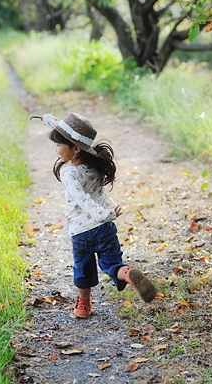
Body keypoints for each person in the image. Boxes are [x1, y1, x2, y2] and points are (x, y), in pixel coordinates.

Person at [39, 112, 157, 318]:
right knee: (113, 264)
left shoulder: (69, 173)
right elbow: (99, 197)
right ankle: (127, 274)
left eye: (59, 145)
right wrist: (108, 213)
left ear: (75, 149)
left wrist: (102, 214)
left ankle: (83, 306)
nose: (56, 150)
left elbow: (83, 200)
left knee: (83, 270)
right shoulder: (95, 169)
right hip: (105, 229)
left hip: (82, 232)